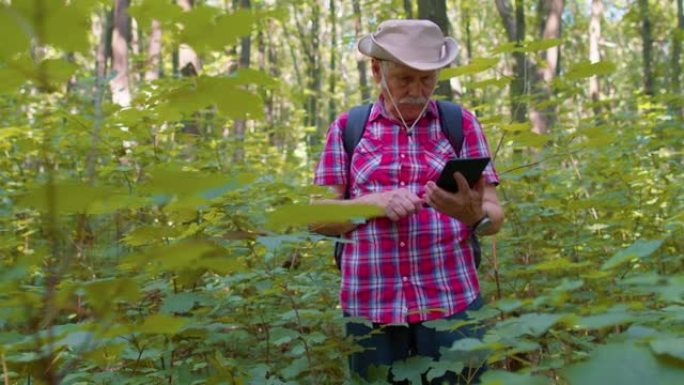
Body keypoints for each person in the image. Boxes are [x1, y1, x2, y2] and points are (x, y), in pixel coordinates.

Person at [312, 19, 504, 384]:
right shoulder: (348, 129)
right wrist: (371, 204)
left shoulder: (460, 124)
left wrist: (473, 214)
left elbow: (494, 215)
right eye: (404, 79)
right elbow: (316, 219)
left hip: (452, 302)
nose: (417, 90)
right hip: (371, 309)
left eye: (427, 79)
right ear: (376, 71)